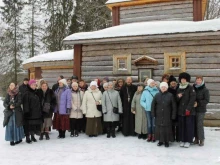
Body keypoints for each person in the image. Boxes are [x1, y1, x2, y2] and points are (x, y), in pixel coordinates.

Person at [151, 82, 177, 148]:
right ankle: (160, 141)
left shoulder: (170, 95)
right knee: (159, 128)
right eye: (162, 87)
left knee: (167, 129)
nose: (163, 88)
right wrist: (153, 113)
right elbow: (153, 105)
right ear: (160, 88)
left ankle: (167, 141)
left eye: (165, 87)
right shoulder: (157, 95)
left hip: (167, 115)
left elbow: (174, 106)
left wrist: (173, 115)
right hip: (158, 115)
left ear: (167, 88)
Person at [177, 72, 196, 148]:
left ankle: (188, 140)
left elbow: (192, 99)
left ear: (187, 80)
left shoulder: (190, 88)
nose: (183, 80)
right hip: (180, 111)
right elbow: (176, 100)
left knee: (188, 126)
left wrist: (188, 109)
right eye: (182, 79)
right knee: (181, 126)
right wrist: (178, 97)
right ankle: (182, 140)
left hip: (189, 111)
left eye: (184, 79)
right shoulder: (179, 88)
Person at [23, 79, 42, 143]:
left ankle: (32, 136)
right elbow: (25, 103)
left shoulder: (35, 92)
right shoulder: (27, 93)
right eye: (32, 85)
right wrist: (27, 112)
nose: (33, 86)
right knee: (28, 126)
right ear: (29, 85)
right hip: (29, 113)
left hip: (35, 112)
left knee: (33, 125)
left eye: (34, 85)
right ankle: (27, 137)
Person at [193, 76, 210, 146]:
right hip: (193, 109)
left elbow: (206, 100)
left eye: (200, 80)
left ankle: (201, 139)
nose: (198, 81)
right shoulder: (193, 88)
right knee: (194, 124)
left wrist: (198, 103)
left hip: (201, 110)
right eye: (197, 80)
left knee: (199, 124)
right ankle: (196, 138)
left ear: (202, 81)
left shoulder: (205, 90)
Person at [168, 75, 179, 142]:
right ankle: (171, 137)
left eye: (174, 82)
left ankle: (178, 137)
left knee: (177, 124)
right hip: (170, 109)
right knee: (171, 124)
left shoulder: (179, 89)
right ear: (170, 83)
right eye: (172, 82)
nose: (173, 83)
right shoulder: (168, 90)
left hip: (178, 108)